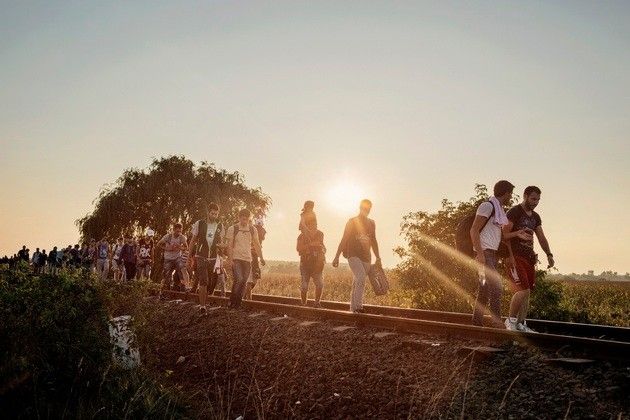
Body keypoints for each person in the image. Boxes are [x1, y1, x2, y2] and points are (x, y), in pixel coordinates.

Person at [503, 186, 555, 332]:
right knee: (522, 290)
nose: (536, 202)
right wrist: (517, 234)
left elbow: (541, 237)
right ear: (525, 196)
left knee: (527, 292)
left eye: (538, 199)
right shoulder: (514, 212)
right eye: (533, 199)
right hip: (515, 256)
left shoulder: (535, 217)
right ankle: (510, 321)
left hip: (529, 257)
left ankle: (520, 324)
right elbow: (504, 235)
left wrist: (549, 254)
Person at [470, 180, 520, 327]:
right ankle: (497, 322)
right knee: (497, 286)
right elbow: (473, 230)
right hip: (484, 252)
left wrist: (518, 234)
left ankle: (476, 322)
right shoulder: (488, 206)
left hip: (492, 253)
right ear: (505, 193)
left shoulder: (499, 211)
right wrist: (480, 254)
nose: (511, 196)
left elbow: (500, 236)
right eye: (510, 193)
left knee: (484, 289)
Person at [332, 199, 381, 313]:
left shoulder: (371, 223)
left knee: (357, 281)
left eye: (368, 209)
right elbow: (344, 239)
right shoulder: (352, 221)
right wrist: (336, 256)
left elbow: (374, 241)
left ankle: (353, 309)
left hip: (366, 257)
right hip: (353, 255)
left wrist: (378, 257)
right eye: (364, 208)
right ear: (360, 208)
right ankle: (358, 307)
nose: (366, 211)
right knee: (361, 277)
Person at [189, 203, 226, 309]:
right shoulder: (199, 223)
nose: (214, 215)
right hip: (201, 255)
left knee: (210, 281)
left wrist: (222, 246)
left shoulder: (220, 226)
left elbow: (221, 242)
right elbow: (193, 241)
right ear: (208, 212)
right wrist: (188, 257)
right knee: (203, 280)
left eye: (216, 214)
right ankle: (202, 306)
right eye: (212, 213)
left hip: (213, 257)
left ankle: (205, 301)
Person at [226, 209, 265, 309]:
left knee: (244, 282)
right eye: (243, 219)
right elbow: (229, 245)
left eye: (246, 219)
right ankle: (232, 301)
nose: (244, 221)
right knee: (239, 279)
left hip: (247, 259)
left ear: (249, 219)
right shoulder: (233, 228)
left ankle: (237, 303)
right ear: (239, 218)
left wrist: (261, 257)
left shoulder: (252, 230)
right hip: (236, 258)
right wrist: (230, 260)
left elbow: (257, 244)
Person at [296, 216, 325, 307]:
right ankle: (304, 304)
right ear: (308, 226)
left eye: (316, 225)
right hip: (305, 264)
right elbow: (298, 248)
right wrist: (310, 245)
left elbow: (323, 247)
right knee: (304, 286)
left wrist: (323, 250)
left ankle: (317, 303)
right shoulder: (301, 236)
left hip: (317, 265)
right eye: (312, 225)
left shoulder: (320, 234)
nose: (315, 227)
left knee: (320, 284)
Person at [157, 223, 188, 296]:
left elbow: (186, 247)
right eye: (177, 231)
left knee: (181, 272)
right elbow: (159, 244)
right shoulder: (168, 237)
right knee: (167, 274)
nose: (178, 233)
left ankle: (183, 289)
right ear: (173, 230)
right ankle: (166, 290)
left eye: (180, 231)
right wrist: (167, 248)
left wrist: (180, 247)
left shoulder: (182, 237)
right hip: (168, 258)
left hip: (177, 258)